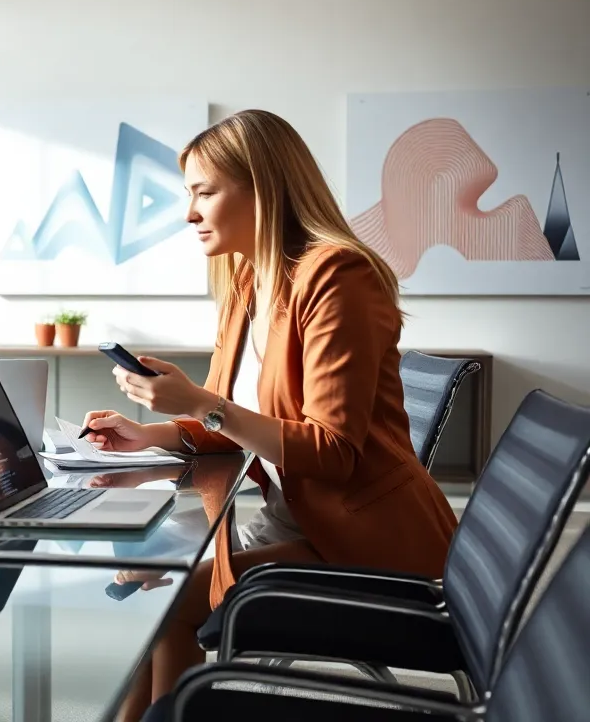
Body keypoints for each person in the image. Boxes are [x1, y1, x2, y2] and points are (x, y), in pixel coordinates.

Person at [79, 110, 458, 715]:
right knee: (154, 594)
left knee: (169, 602)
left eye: (204, 192)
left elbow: (332, 452)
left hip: (364, 542)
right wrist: (149, 433)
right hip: (298, 521)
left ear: (263, 187)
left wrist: (199, 402)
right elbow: (226, 424)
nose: (189, 213)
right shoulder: (248, 284)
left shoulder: (338, 276)